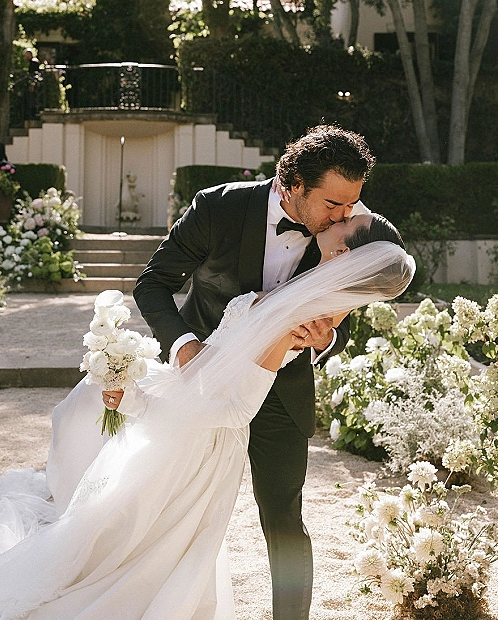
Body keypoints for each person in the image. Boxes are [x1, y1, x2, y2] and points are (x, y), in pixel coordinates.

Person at [0, 227, 414, 620]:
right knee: (124, 516)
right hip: (191, 410)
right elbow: (221, 361)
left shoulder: (309, 312)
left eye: (349, 219)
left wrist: (143, 400)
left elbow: (237, 405)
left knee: (137, 534)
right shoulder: (310, 287)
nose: (344, 214)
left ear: (346, 250)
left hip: (202, 438)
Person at [133, 123, 376, 620]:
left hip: (282, 391)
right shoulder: (216, 208)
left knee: (285, 518)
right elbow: (152, 286)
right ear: (293, 185)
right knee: (172, 508)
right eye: (333, 204)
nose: (346, 215)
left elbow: (351, 308)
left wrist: (327, 338)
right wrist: (183, 347)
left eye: (351, 203)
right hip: (205, 385)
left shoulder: (350, 228)